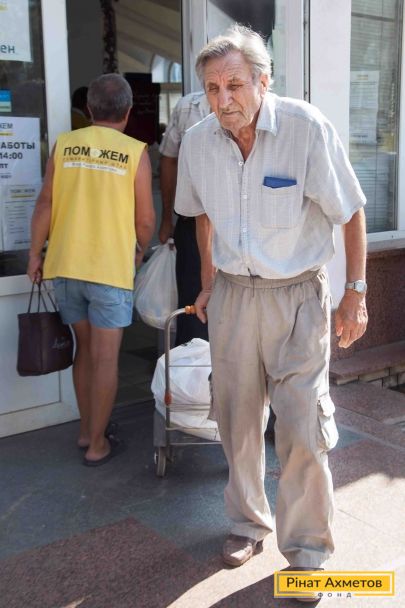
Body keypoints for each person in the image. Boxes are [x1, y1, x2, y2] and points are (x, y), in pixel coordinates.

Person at [174, 24, 368, 585]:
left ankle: (307, 552)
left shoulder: (306, 128)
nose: (223, 100)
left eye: (234, 85)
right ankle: (246, 523)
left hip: (298, 297)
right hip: (234, 297)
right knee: (236, 421)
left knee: (303, 425)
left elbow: (350, 210)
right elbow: (201, 216)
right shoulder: (198, 141)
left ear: (264, 81)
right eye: (213, 88)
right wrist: (208, 282)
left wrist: (355, 294)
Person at [28, 74, 155, 466]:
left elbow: (45, 203)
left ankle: (86, 430)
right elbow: (145, 220)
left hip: (66, 265)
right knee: (105, 358)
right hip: (110, 270)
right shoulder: (135, 152)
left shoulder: (65, 145)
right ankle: (98, 444)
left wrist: (34, 255)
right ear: (128, 112)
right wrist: (139, 252)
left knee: (84, 351)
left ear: (88, 109)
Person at [159, 91, 211, 345]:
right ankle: (193, 367)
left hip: (241, 227)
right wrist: (166, 219)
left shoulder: (261, 104)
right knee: (193, 309)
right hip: (192, 223)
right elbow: (168, 161)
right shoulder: (188, 106)